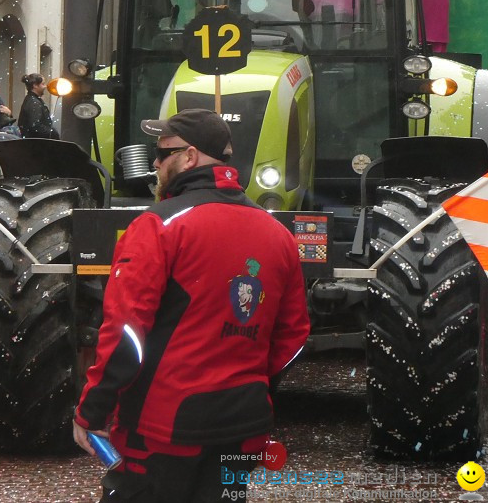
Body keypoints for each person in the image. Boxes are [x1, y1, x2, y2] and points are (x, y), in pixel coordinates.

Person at [73, 108, 310, 501]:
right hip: (244, 422)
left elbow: (125, 332)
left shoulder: (159, 225)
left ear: (190, 157)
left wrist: (93, 410)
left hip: (163, 427)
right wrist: (252, 384)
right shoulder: (278, 233)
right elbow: (295, 337)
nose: (155, 163)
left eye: (163, 153)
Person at [18, 73, 58, 139]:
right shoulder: (34, 102)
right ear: (35, 86)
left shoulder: (31, 99)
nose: (45, 86)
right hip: (36, 143)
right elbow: (35, 125)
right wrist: (52, 133)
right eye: (43, 84)